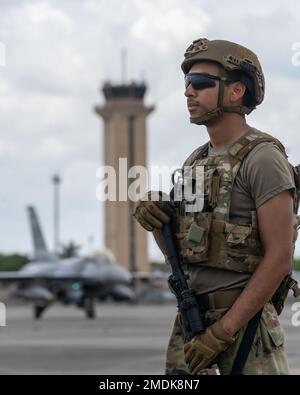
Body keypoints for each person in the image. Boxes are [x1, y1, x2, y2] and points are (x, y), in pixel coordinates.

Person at [134, 38, 299, 375]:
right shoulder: (196, 162)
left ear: (236, 92)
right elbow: (181, 254)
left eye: (200, 84)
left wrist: (222, 333)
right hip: (193, 324)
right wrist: (155, 218)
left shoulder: (263, 158)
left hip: (244, 331)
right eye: (187, 84)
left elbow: (280, 258)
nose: (188, 93)